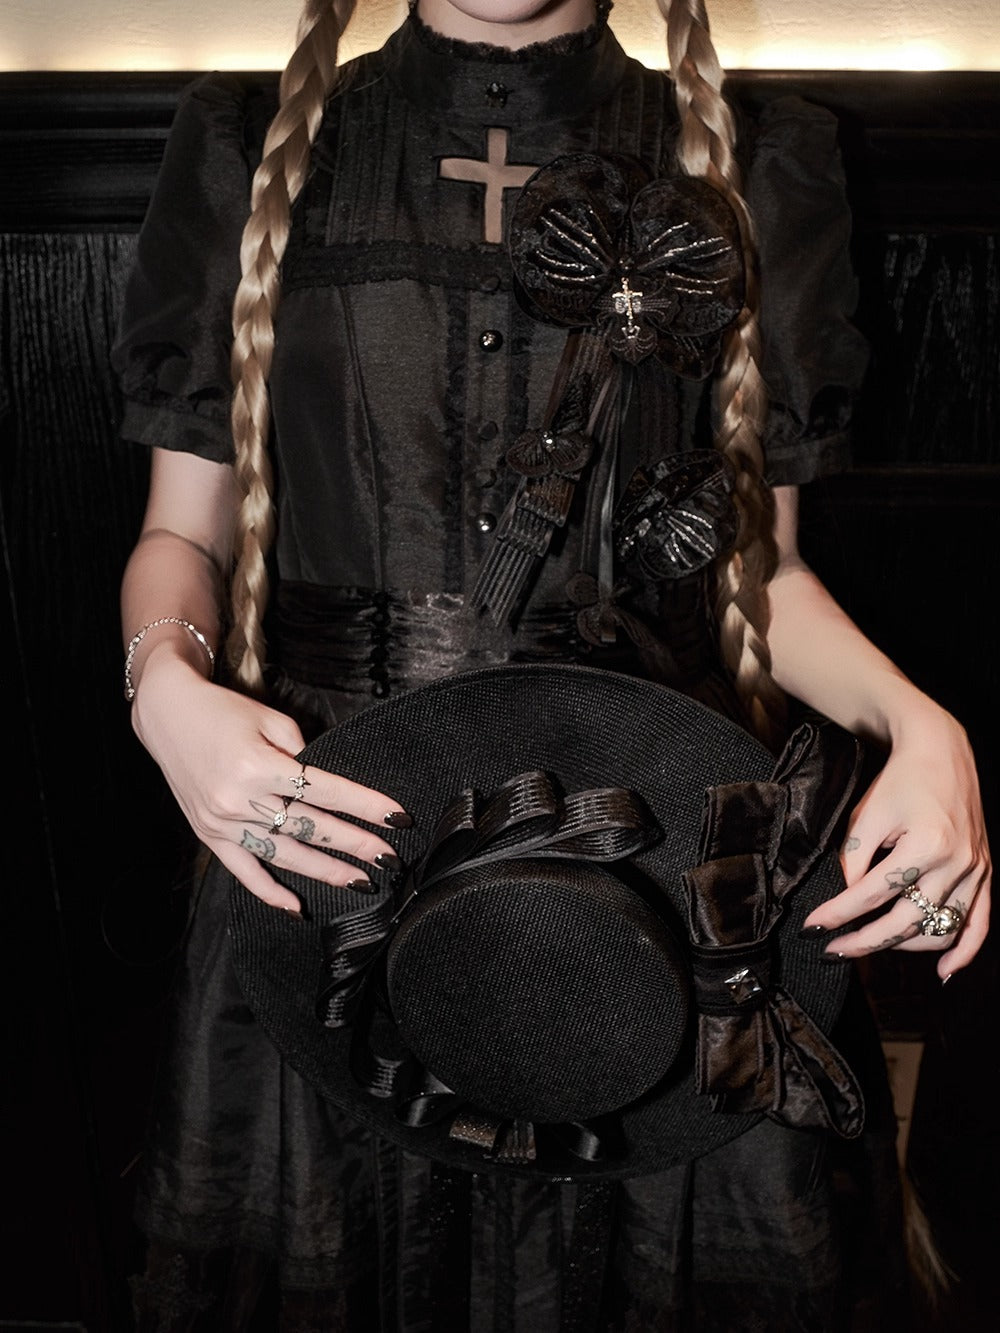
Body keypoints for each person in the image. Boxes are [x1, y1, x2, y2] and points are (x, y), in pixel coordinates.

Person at [114, 1, 991, 1327]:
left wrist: (923, 725)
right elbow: (182, 536)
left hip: (658, 857)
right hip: (330, 853)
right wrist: (164, 690)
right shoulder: (248, 144)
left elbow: (761, 575)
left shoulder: (755, 158)